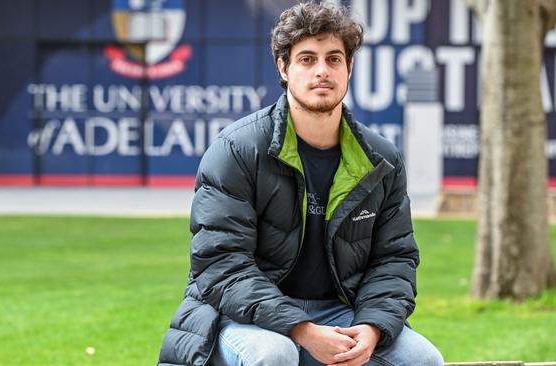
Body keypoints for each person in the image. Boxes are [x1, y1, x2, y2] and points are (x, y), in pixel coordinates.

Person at [158, 2, 444, 365]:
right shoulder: (238, 149)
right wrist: (302, 330)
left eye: (334, 59)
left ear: (349, 66)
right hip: (243, 318)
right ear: (284, 67)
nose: (322, 71)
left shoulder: (380, 159)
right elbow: (221, 263)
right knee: (274, 355)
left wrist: (372, 328)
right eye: (307, 59)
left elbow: (394, 259)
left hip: (339, 315)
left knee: (423, 359)